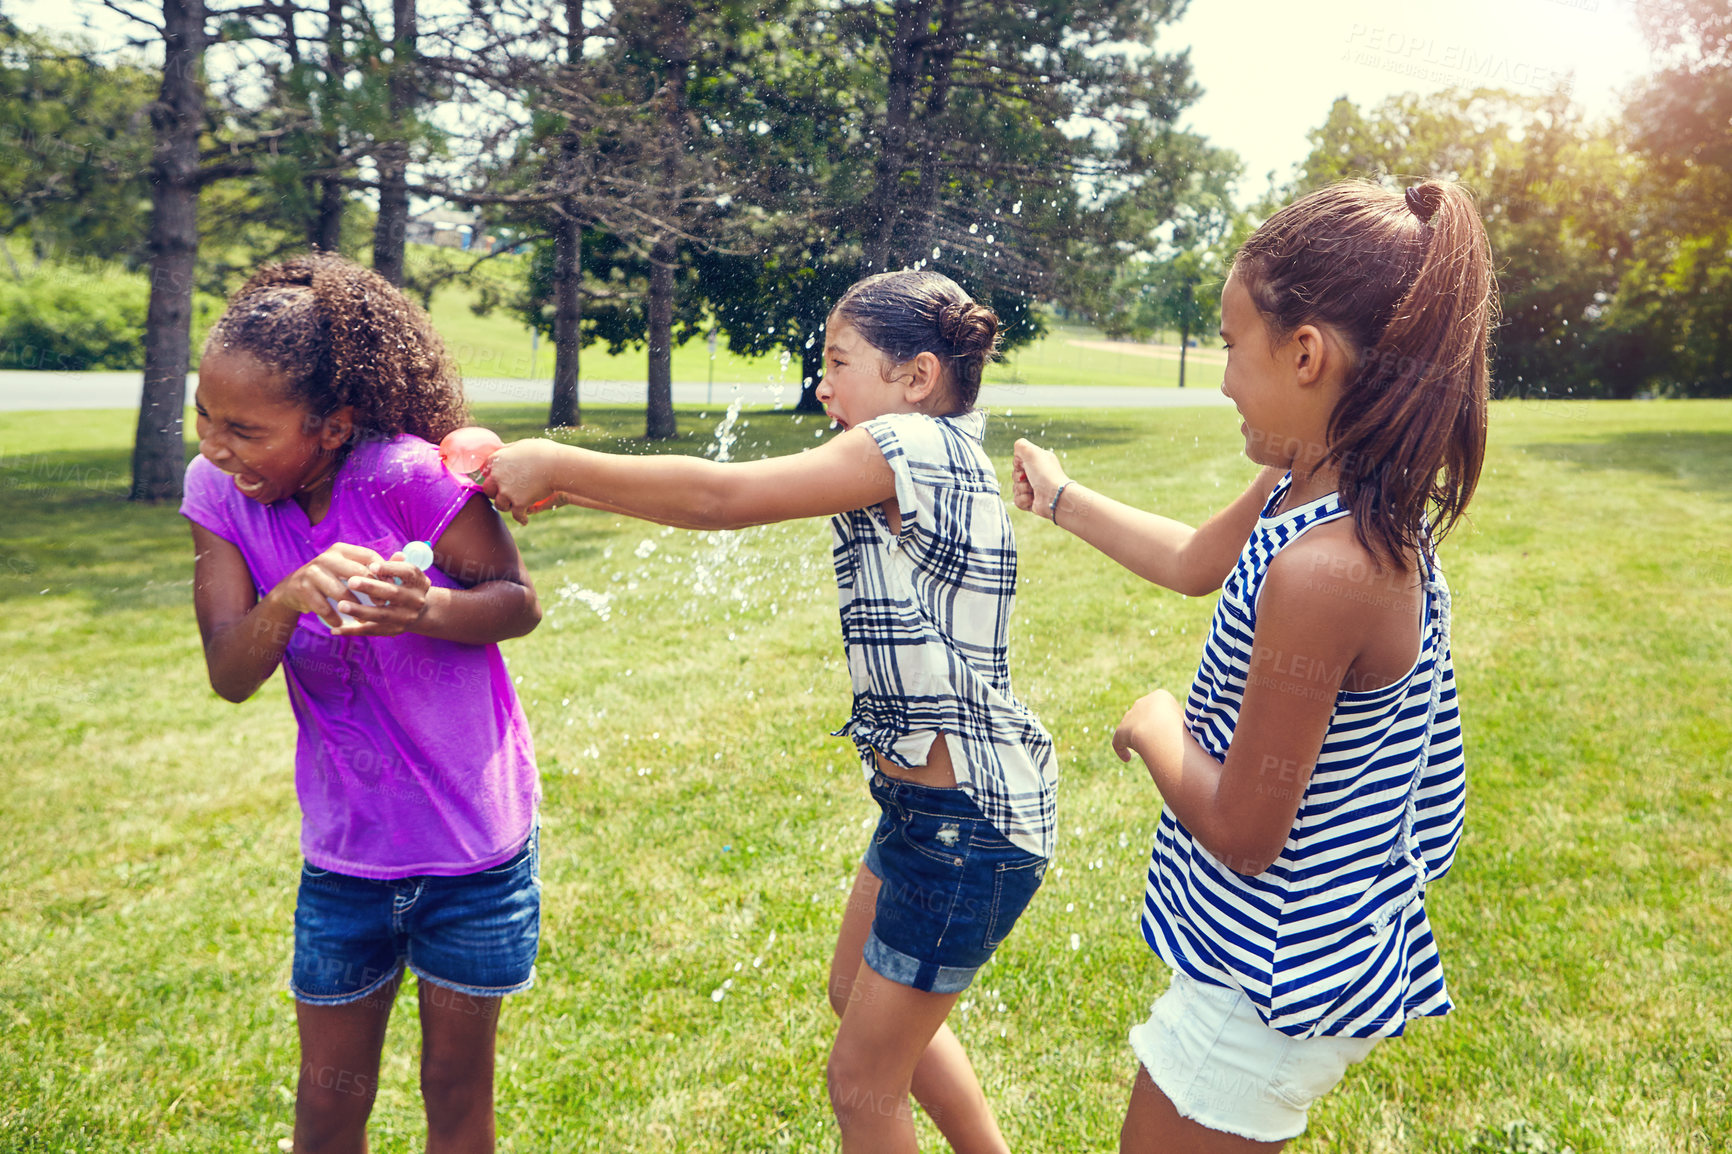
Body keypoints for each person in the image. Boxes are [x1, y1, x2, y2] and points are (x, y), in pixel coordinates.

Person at [482, 270, 1056, 1154]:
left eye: (839, 361)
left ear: (916, 377)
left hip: (964, 824)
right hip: (930, 815)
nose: (822, 384)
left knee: (863, 1084)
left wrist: (560, 461)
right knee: (856, 1005)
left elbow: (724, 499)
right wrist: (578, 493)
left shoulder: (912, 445)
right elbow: (720, 505)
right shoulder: (922, 454)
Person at [1013, 179, 1494, 1152]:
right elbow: (1197, 558)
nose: (1224, 376)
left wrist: (1155, 724)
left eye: (1232, 346)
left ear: (1305, 352)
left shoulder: (1330, 569)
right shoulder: (1308, 480)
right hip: (1277, 956)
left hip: (1276, 982)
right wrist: (1060, 497)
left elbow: (1243, 828)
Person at [181, 253, 543, 1154]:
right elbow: (229, 671)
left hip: (472, 851)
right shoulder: (217, 494)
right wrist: (290, 596)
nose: (218, 446)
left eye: (247, 430)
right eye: (205, 417)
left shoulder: (408, 477)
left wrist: (429, 608)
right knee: (330, 1101)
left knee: (456, 1091)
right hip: (348, 857)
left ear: (334, 425)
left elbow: (515, 600)